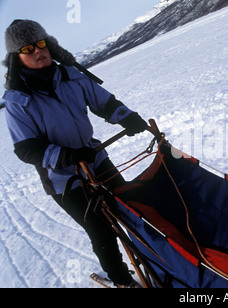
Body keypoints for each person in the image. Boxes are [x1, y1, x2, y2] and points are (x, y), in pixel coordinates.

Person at [2, 19, 148, 287]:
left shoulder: (72, 75)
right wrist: (67, 156)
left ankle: (155, 262)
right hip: (62, 179)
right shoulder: (16, 101)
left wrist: (127, 117)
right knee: (100, 229)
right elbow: (26, 148)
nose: (37, 51)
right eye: (27, 48)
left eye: (41, 43)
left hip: (95, 158)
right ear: (16, 57)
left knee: (131, 209)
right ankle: (121, 280)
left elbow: (104, 102)